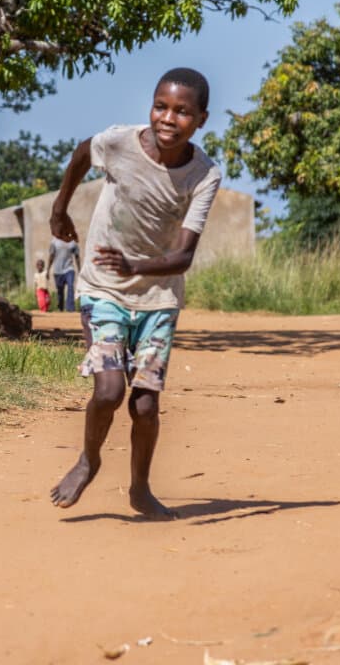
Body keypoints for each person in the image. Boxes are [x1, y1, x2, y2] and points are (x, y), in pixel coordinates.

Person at [48, 67, 221, 519]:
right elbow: (83, 153)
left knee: (145, 405)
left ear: (201, 119)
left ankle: (140, 489)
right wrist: (58, 209)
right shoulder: (120, 142)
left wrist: (137, 266)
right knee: (108, 392)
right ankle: (89, 459)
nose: (168, 118)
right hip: (103, 288)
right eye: (161, 106)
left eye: (182, 112)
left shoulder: (203, 174)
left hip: (159, 298)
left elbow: (183, 257)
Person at [48, 235, 81, 312]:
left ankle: (70, 308)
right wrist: (48, 269)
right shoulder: (54, 242)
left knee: (70, 286)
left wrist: (79, 270)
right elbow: (51, 256)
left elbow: (77, 256)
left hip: (69, 269)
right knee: (60, 290)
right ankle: (60, 307)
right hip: (58, 270)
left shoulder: (72, 242)